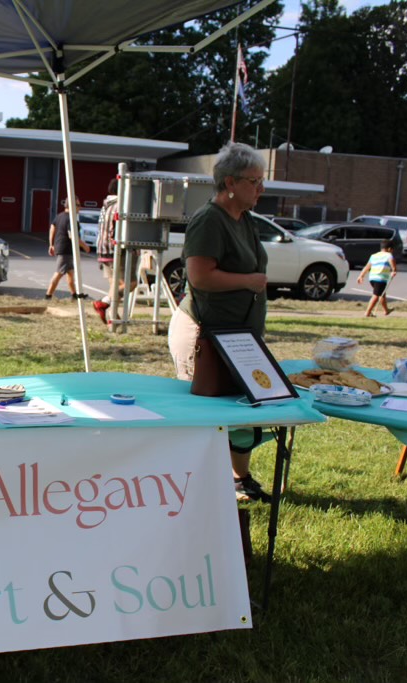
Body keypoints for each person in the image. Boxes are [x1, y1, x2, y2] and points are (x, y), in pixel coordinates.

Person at [167, 141, 272, 503]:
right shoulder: (209, 220)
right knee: (208, 416)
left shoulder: (246, 219)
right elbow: (199, 277)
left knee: (242, 411)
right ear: (230, 182)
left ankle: (238, 479)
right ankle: (196, 493)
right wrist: (247, 281)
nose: (262, 188)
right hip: (204, 336)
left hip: (237, 336)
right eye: (255, 181)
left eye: (262, 180)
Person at [93, 177, 138, 323]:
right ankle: (104, 303)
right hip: (116, 250)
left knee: (115, 285)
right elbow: (122, 229)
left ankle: (113, 317)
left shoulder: (106, 204)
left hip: (102, 249)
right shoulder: (121, 205)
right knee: (130, 283)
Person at [44, 196, 91, 300]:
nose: (80, 207)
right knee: (59, 273)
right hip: (65, 250)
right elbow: (72, 235)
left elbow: (52, 229)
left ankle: (75, 295)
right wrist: (85, 246)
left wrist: (51, 245)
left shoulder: (59, 216)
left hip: (62, 248)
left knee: (70, 273)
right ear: (72, 206)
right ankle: (48, 296)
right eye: (78, 205)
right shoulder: (71, 219)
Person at [356, 239, 397, 317]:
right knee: (376, 295)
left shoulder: (374, 255)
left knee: (382, 294)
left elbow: (367, 266)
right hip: (380, 278)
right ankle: (368, 312)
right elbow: (393, 266)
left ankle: (386, 310)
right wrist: (394, 271)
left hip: (372, 278)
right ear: (389, 249)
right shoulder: (389, 255)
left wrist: (361, 275)